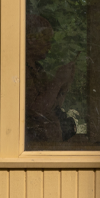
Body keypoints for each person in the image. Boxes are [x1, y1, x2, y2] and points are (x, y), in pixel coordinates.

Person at [25, 14, 79, 144]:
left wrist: (65, 84)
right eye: (46, 41)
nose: (49, 47)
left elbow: (53, 107)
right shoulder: (20, 70)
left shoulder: (38, 69)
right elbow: (36, 110)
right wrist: (58, 81)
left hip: (48, 142)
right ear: (30, 39)